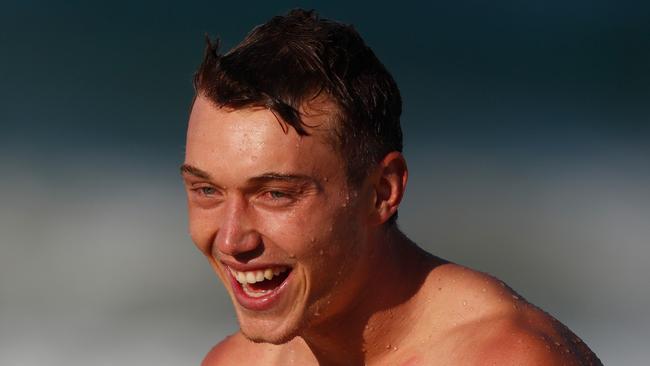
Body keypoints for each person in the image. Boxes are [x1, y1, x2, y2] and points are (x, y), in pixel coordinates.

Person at [180, 9, 602, 366]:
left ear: (382, 192)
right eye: (207, 191)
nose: (233, 239)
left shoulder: (502, 356)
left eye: (275, 194)